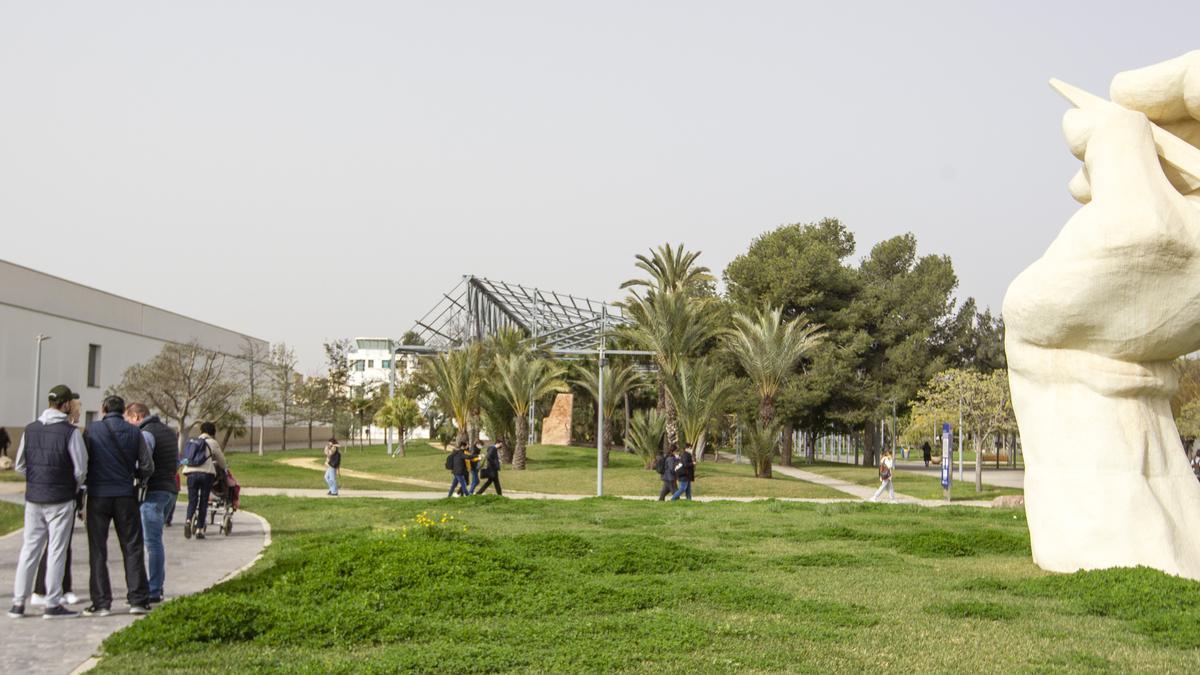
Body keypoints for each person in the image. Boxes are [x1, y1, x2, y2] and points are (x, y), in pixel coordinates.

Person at [8, 385, 87, 619]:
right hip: (60, 498)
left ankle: (18, 602)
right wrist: (72, 488)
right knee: (56, 550)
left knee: (29, 549)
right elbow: (80, 469)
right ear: (65, 405)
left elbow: (21, 464)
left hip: (34, 497)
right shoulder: (70, 432)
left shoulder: (30, 429)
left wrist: (37, 480)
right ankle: (52, 603)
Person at [83, 395, 154, 617]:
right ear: (124, 411)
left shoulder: (91, 430)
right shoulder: (135, 432)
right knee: (132, 545)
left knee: (98, 548)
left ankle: (101, 602)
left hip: (98, 495)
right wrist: (136, 477)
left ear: (103, 409)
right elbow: (147, 465)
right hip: (125, 494)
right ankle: (138, 600)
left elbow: (84, 462)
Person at [124, 402, 178, 604]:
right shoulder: (169, 431)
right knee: (155, 540)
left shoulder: (146, 434)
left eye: (128, 420)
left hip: (153, 492)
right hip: (170, 491)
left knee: (152, 542)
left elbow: (144, 463)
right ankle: (156, 585)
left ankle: (154, 589)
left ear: (137, 417)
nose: (129, 425)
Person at [181, 422, 227, 540]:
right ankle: (200, 530)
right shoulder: (213, 443)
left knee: (192, 500)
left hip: (190, 473)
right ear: (213, 432)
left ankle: (188, 520)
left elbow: (185, 459)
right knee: (203, 501)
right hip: (206, 474)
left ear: (201, 431)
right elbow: (222, 462)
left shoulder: (192, 442)